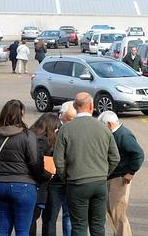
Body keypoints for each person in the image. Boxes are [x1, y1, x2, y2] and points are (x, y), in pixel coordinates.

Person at [53, 92, 120, 236]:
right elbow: (115, 158)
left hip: (76, 183)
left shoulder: (65, 129)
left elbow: (58, 160)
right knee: (97, 226)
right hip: (99, 183)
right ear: (91, 106)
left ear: (75, 106)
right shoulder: (103, 128)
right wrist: (103, 173)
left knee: (79, 227)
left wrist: (66, 177)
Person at [0, 100, 41, 236]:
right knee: (22, 229)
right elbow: (34, 161)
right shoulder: (27, 135)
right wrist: (39, 178)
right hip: (23, 185)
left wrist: (3, 173)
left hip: (0, 184)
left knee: (2, 228)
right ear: (21, 114)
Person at [98, 111, 145, 236]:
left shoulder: (123, 135)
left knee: (118, 212)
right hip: (113, 177)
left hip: (119, 178)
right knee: (112, 211)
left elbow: (138, 154)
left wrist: (130, 172)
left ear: (109, 124)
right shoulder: (115, 134)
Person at [42, 101, 74, 236]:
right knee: (51, 216)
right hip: (57, 179)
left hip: (68, 179)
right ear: (63, 115)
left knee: (67, 216)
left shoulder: (71, 129)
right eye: (71, 117)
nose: (73, 120)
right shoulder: (52, 126)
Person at [28, 113, 59, 236]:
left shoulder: (29, 136)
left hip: (31, 184)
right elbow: (37, 165)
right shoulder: (44, 142)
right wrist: (48, 175)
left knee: (31, 220)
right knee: (37, 219)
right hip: (40, 185)